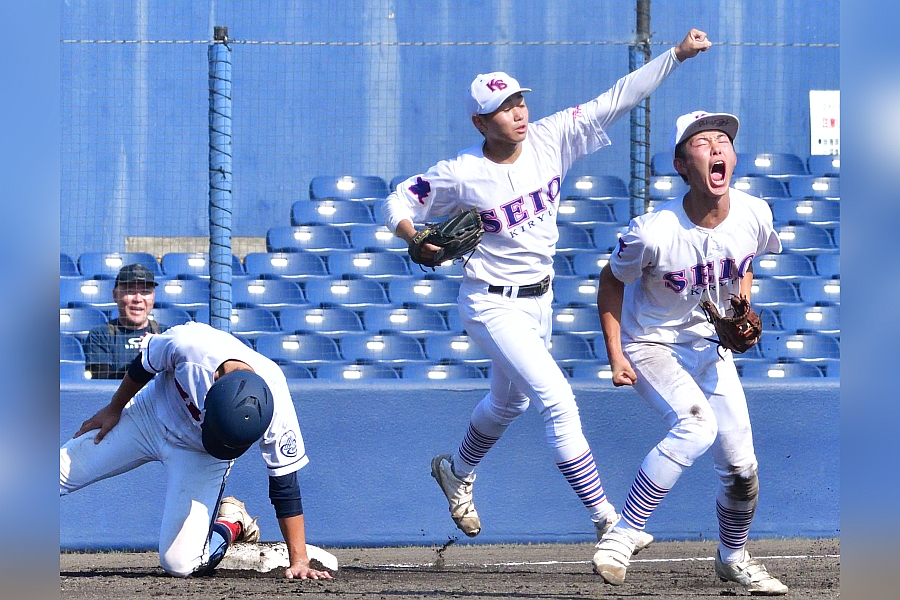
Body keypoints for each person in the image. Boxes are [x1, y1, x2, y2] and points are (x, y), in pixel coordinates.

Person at [381, 30, 711, 543]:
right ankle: (606, 520)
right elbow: (399, 200)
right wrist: (415, 235)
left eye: (519, 100)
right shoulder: (461, 173)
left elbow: (619, 97)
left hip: (540, 302)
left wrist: (676, 55)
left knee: (507, 403)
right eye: (502, 107)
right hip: (490, 303)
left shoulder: (552, 136)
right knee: (557, 400)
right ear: (479, 122)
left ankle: (457, 472)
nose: (517, 112)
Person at [591, 111, 788, 595]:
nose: (718, 148)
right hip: (652, 343)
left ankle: (733, 557)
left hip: (708, 345)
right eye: (703, 143)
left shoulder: (754, 213)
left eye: (724, 140)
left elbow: (744, 264)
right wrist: (616, 354)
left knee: (743, 471)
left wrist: (741, 307)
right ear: (681, 164)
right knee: (697, 426)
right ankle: (623, 534)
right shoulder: (653, 230)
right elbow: (610, 282)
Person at [60, 321, 332, 580]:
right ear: (208, 396)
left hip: (201, 455)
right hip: (149, 416)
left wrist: (299, 560)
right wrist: (115, 407)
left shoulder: (275, 396)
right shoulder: (189, 345)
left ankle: (231, 522)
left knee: (180, 564)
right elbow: (145, 364)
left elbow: (285, 484)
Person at [83, 263, 168, 379]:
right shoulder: (100, 335)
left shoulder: (166, 335)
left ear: (153, 296)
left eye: (145, 292)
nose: (138, 299)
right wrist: (146, 360)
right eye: (130, 291)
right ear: (115, 295)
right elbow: (101, 383)